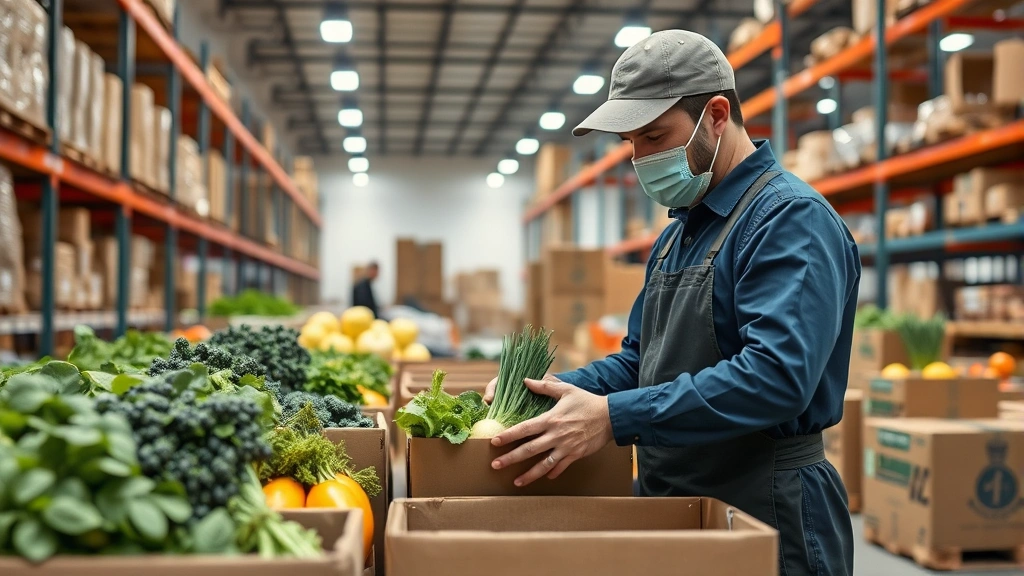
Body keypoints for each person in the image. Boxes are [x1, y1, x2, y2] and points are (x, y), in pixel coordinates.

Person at [484, 30, 858, 575]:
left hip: (767, 512)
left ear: (716, 114)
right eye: (631, 143)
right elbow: (642, 359)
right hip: (675, 501)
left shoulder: (787, 220)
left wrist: (613, 418)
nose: (641, 158)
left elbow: (778, 377)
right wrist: (558, 393)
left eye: (656, 136)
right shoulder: (679, 234)